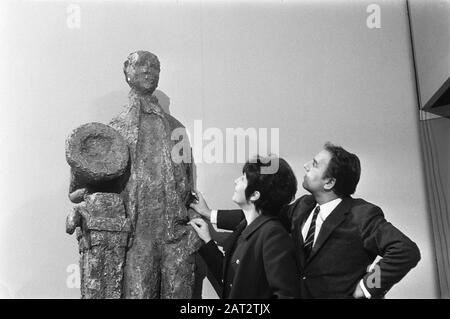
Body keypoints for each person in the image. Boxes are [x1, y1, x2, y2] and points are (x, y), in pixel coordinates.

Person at [191, 143, 421, 299]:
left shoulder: (362, 215)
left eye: (314, 164)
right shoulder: (304, 206)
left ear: (329, 182)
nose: (306, 166)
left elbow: (406, 251)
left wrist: (368, 286)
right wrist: (210, 213)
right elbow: (260, 213)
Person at [189, 156, 301, 299]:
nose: (236, 181)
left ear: (255, 195)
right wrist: (207, 240)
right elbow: (230, 279)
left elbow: (287, 295)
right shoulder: (245, 227)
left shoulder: (273, 235)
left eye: (243, 179)